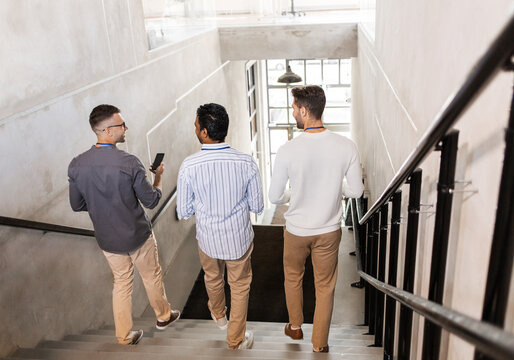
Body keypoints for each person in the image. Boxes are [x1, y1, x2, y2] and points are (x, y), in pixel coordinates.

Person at [68, 104, 179, 345]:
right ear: (107, 130)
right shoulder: (129, 162)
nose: (125, 128)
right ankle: (163, 316)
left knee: (121, 283)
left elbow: (77, 205)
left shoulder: (76, 164)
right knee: (151, 276)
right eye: (121, 125)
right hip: (138, 235)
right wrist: (158, 177)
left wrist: (102, 206)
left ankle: (124, 335)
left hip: (108, 239)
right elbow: (151, 200)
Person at [268, 85, 364, 353]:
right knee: (325, 287)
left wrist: (295, 192)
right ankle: (320, 344)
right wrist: (335, 188)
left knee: (293, 277)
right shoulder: (346, 146)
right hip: (329, 231)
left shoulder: (288, 149)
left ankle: (295, 326)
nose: (292, 113)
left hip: (296, 231)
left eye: (294, 109)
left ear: (304, 110)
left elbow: (275, 197)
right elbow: (356, 191)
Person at [177, 103, 264, 350]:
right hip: (238, 239)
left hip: (208, 239)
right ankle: (235, 339)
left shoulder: (189, 166)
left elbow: (183, 211)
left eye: (196, 125)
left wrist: (205, 203)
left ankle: (219, 317)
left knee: (213, 277)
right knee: (239, 286)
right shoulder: (246, 162)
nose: (194, 128)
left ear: (204, 132)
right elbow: (257, 206)